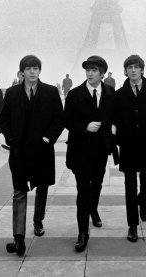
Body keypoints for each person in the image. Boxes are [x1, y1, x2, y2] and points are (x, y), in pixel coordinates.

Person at [0, 55, 64, 256]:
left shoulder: (51, 92)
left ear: (40, 71)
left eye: (35, 68)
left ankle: (38, 222)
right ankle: (18, 238)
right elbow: (4, 119)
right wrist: (10, 140)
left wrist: (48, 138)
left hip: (42, 149)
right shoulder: (11, 93)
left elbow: (59, 119)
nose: (32, 72)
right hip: (19, 151)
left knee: (42, 188)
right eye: (28, 69)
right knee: (19, 192)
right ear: (22, 72)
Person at [64, 55, 117, 252]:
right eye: (88, 70)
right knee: (82, 189)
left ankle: (93, 209)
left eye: (94, 70)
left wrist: (114, 127)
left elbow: (116, 116)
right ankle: (82, 232)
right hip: (80, 149)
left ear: (102, 73)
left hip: (101, 149)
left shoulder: (111, 93)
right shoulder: (75, 94)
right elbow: (66, 120)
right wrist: (84, 126)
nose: (90, 73)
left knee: (97, 183)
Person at [114, 55, 146, 243]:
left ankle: (142, 199)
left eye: (136, 67)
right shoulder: (119, 95)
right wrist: (119, 139)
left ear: (142, 69)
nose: (133, 70)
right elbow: (115, 119)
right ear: (125, 71)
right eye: (129, 67)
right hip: (128, 144)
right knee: (129, 184)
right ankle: (132, 225)